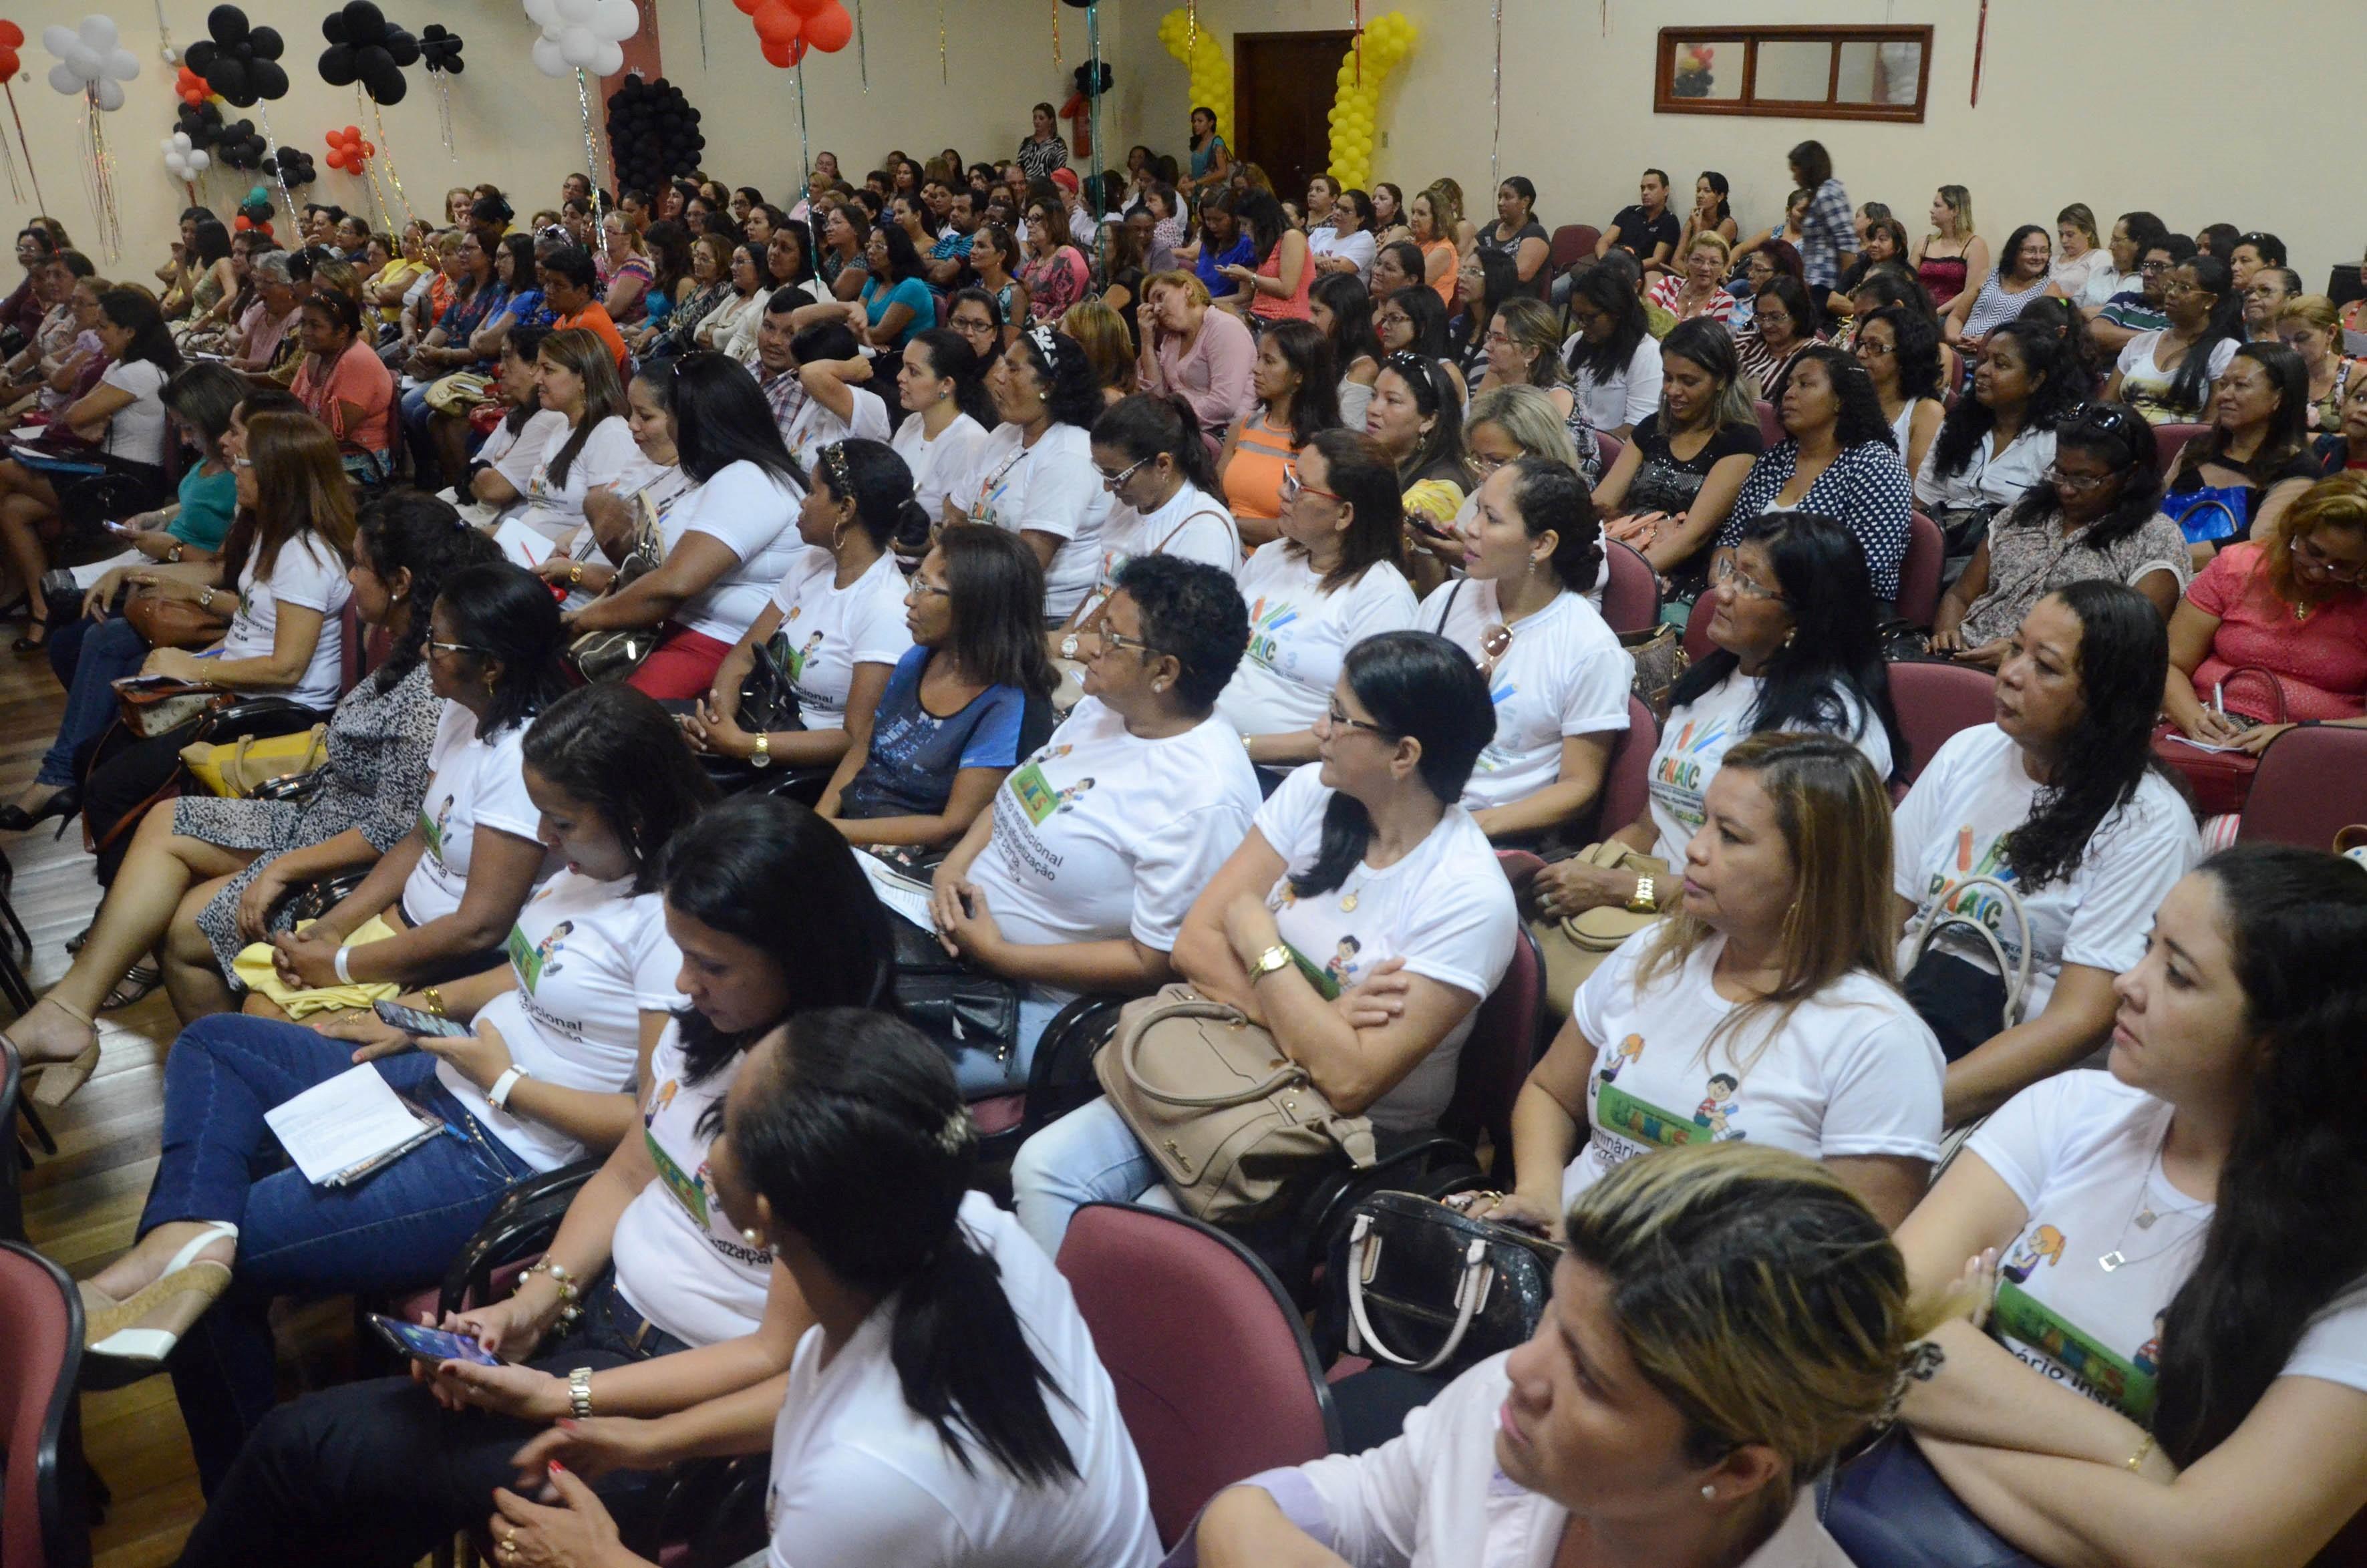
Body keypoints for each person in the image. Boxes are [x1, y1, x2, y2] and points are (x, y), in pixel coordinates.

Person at [166, 795, 893, 1561]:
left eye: (711, 965)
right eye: (681, 954)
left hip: (683, 1405)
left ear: (803, 953)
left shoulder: (843, 1108)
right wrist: (532, 1305)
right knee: (338, 1498)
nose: (683, 984)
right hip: (601, 1329)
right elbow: (624, 1174)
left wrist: (564, 1394)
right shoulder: (710, 1032)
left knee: (300, 1448)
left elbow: (775, 1358)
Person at [77, 683, 712, 1487]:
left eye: (563, 821)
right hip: (447, 1068)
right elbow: (522, 976)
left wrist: (505, 1080)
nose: (545, 839)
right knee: (218, 1043)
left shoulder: (671, 932)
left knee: (221, 1273)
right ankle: (184, 1234)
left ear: (637, 812)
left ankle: (238, 1480)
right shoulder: (591, 872)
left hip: (501, 1151)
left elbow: (645, 1129)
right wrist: (411, 1012)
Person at [486, 1007, 1163, 1568]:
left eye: (726, 1122)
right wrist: (650, 1440)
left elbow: (860, 1448)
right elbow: (814, 1388)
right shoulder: (963, 1231)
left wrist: (599, 1559)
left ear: (765, 1217)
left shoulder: (876, 1476)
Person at [1856, 843, 2367, 1568]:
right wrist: (2128, 1453)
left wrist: (1939, 1392)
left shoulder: (2346, 1270)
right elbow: (1866, 1324)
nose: (2129, 983)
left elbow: (2199, 1551)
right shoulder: (2072, 1108)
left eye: (2178, 974)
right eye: (2146, 946)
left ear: (2274, 1044)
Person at [1195, 1142, 1925, 1567]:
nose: (1520, 1367)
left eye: (1590, 1377)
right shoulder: (1512, 1408)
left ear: (1736, 1467)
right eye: (1553, 1315)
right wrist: (1242, 1516)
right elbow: (1361, 1502)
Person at [1018, 626, 1511, 1251]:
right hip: (1225, 1059)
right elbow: (1192, 943)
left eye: (1340, 716)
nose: (1319, 728)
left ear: (1403, 755)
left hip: (1337, 1134)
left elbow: (1350, 1081)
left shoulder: (1467, 895)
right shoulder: (1313, 793)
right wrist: (1320, 1019)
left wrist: (1260, 943)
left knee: (1144, 1227)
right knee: (1043, 1169)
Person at [5, 496, 494, 1111]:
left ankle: (240, 1097)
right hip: (322, 811)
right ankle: (73, 1013)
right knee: (163, 817)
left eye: (361, 566)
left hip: (351, 853)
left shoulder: (433, 681)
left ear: (399, 584)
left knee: (184, 931)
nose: (350, 578)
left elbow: (396, 828)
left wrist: (283, 868)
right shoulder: (405, 646)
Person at [1489, 733, 1943, 1235]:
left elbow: (1849, 1267)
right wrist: (1537, 1193)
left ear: (1813, 871)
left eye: (1729, 834)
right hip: (1564, 1252)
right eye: (1704, 820)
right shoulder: (1653, 951)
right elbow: (1550, 1091)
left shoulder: (1878, 1042)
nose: (1694, 848)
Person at [1527, 513, 1900, 1011]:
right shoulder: (1710, 682)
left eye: (1748, 583)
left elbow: (1783, 897)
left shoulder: (1824, 731)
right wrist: (1591, 869)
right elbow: (1648, 823)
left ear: (1800, 616)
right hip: (1652, 899)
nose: (1721, 592)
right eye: (1729, 570)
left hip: (1737, 941)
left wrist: (1621, 889)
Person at [925, 554, 1259, 1093]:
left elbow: (1155, 962)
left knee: (860, 1055)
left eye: (1113, 637)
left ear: (1164, 672)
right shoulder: (1106, 707)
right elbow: (1016, 799)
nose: (1088, 644)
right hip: (954, 929)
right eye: (1100, 625)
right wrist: (951, 870)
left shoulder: (1203, 799)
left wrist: (1001, 954)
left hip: (1039, 1001)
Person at [1895, 581, 2197, 1123]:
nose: (2011, 673)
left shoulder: (2149, 825)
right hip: (1906, 1025)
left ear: (2105, 701)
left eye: (2047, 667)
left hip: (2021, 1092)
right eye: (2015, 648)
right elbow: (1876, 916)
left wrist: (1908, 1108)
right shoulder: (1969, 750)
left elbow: (2077, 1023)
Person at [239, 561, 571, 1019]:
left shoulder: (519, 761)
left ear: (490, 665)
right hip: (403, 928)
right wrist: (332, 929)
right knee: (261, 998)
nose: (422, 651)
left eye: (438, 643)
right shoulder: (461, 711)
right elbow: (420, 838)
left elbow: (479, 928)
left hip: (458, 964)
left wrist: (341, 965)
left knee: (269, 1023)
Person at [64, 410, 356, 892]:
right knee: (91, 756)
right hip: (239, 689)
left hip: (278, 715)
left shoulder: (304, 556)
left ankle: (127, 917)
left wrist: (195, 674)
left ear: (276, 475)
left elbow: (287, 666)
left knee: (110, 787)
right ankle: (131, 892)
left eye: (244, 463)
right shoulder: (270, 532)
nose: (234, 470)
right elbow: (248, 627)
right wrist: (198, 663)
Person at [25, 361, 245, 783]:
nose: (183, 438)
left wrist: (168, 551)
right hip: (168, 565)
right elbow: (197, 501)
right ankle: (98, 748)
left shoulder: (242, 481)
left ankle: (68, 771)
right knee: (68, 636)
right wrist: (160, 517)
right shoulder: (216, 466)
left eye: (188, 428)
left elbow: (220, 567)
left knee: (94, 634)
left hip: (188, 578)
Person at [683, 438, 919, 778]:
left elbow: (853, 740)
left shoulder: (884, 608)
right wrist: (721, 720)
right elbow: (745, 655)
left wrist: (748, 746)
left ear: (846, 509)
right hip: (755, 722)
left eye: (812, 492)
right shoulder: (814, 562)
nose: (802, 503)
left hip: (799, 770)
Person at [1423, 458, 1631, 841]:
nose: (1470, 528)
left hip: (1493, 834)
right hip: (1413, 805)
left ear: (1542, 544)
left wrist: (1471, 827)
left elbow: (1579, 788)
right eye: (1478, 511)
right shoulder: (1448, 600)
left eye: (1491, 518)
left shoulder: (1591, 649)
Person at [820, 525, 1057, 851]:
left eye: (923, 587)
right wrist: (819, 821)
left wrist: (832, 833)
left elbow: (951, 825)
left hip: (911, 857)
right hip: (850, 827)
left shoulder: (1009, 704)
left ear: (974, 605)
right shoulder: (920, 656)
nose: (908, 599)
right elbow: (867, 744)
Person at [1218, 430, 1419, 772]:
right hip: (1214, 744)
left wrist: (1239, 748)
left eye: (1298, 486)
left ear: (1344, 515)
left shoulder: (1382, 597)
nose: (1282, 491)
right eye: (1289, 477)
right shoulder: (1272, 556)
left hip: (1285, 776)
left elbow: (1360, 730)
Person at [1935, 402, 2189, 662]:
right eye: (2060, 473)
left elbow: (2131, 652)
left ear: (2131, 474)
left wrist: (2024, 658)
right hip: (1962, 658)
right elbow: (1960, 594)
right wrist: (1947, 633)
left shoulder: (2155, 539)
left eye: (2084, 479)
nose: (2067, 489)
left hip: (2058, 686)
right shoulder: (2025, 513)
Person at [0, 289, 182, 647]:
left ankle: (19, 590)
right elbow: (80, 414)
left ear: (129, 332)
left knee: (4, 471)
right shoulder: (123, 366)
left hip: (130, 483)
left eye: (105, 327)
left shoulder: (139, 373)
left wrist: (91, 416)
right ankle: (39, 602)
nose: (98, 335)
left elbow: (76, 414)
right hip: (109, 469)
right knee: (12, 509)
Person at [2163, 474, 2367, 762]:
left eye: (2341, 566)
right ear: (2293, 530)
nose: (2318, 572)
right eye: (2313, 552)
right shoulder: (2237, 568)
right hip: (2205, 739)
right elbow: (2171, 664)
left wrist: (2297, 735)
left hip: (2322, 754)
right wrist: (2194, 719)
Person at [1722, 347, 1914, 605]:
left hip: (1835, 615)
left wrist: (1768, 595)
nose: (1789, 393)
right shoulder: (1776, 458)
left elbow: (1867, 570)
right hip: (1749, 600)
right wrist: (1724, 579)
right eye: (1788, 384)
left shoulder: (1875, 465)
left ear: (1841, 399)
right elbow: (1732, 538)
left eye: (1805, 384)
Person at [1592, 318, 1766, 599]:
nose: (1673, 390)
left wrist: (1624, 575)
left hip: (1685, 575)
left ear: (1720, 380)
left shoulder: (1739, 442)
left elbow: (1692, 537)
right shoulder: (1652, 428)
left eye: (1688, 381)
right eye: (1668, 377)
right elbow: (1600, 505)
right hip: (1626, 552)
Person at [949, 325, 1112, 624]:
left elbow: (1028, 562)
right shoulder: (1004, 434)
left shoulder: (1069, 453)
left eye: (1012, 368)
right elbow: (955, 512)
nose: (999, 376)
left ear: (1047, 386)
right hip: (981, 589)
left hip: (1040, 616)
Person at [1914, 317, 2086, 573]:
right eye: (1984, 360)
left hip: (2012, 562)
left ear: (2036, 380)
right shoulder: (1959, 425)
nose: (1983, 371)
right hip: (1941, 552)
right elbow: (1922, 502)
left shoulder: (2057, 442)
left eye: (2001, 365)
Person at [472, 327, 639, 550]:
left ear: (583, 379)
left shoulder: (610, 434)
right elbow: (539, 517)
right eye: (538, 368)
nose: (537, 378)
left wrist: (545, 550)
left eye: (548, 370)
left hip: (561, 563)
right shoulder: (560, 427)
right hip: (526, 547)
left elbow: (609, 529)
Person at [2159, 341, 2320, 559]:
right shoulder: (2197, 448)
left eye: (2241, 385)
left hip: (2226, 583)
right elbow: (2152, 511)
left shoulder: (2298, 469)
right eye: (2223, 385)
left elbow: (2251, 547)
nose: (2224, 395)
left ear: (2278, 398)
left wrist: (2158, 558)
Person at [1219, 320, 1339, 548]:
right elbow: (1216, 498)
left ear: (1299, 375)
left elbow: (1294, 530)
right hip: (1224, 547)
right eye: (1258, 358)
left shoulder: (1320, 446)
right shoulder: (1242, 427)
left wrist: (1225, 524)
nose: (1256, 369)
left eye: (1270, 361)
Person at [1364, 354, 1470, 596]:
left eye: (1392, 401)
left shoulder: (1439, 490)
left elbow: (1370, 557)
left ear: (1429, 419)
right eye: (1374, 396)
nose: (1373, 409)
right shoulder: (1382, 464)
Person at [2105, 253, 2245, 426]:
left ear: (2209, 300)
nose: (2171, 293)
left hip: (2183, 446)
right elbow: (2107, 406)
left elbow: (2212, 424)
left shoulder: (2224, 350)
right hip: (2126, 443)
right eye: (2171, 285)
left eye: (2184, 288)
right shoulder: (2141, 343)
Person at [1470, 297, 1601, 478]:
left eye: (1499, 339)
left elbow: (1543, 469)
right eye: (1489, 336)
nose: (1487, 346)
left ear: (1531, 353)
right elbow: (1473, 437)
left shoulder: (1557, 399)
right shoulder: (1498, 375)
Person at [890, 327, 993, 525]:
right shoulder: (913, 422)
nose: (900, 377)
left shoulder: (970, 442)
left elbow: (954, 529)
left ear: (946, 384)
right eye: (903, 367)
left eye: (913, 371)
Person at [1136, 269, 1257, 435]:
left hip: (1225, 434)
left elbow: (1225, 405)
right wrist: (1147, 342)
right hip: (1183, 428)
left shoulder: (1225, 327)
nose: (1157, 309)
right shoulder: (1171, 339)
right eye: (1152, 305)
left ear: (1187, 289)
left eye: (1160, 297)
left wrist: (1170, 417)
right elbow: (1157, 395)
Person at [1559, 263, 1662, 442]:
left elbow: (1639, 427)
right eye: (1577, 317)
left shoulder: (1646, 353)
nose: (1582, 324)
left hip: (1609, 451)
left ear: (1617, 312)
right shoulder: (1575, 342)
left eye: (1590, 318)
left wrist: (1584, 446)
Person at [1852, 303, 1947, 483]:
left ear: (1907, 354)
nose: (1861, 354)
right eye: (1861, 344)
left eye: (1875, 346)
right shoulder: (1846, 399)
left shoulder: (1926, 411)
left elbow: (1913, 490)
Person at [1942, 223, 2053, 353]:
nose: (2038, 257)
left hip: (2004, 358)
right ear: (2014, 252)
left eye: (2044, 251)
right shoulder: (1988, 275)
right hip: (1961, 349)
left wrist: (1986, 344)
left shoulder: (2049, 289)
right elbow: (1957, 316)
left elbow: (2035, 336)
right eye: (2031, 250)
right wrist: (1955, 338)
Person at [1311, 270, 1383, 432]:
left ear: (1341, 314)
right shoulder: (1326, 352)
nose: (1310, 320)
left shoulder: (1364, 369)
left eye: (1317, 312)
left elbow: (1347, 433)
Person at [2276, 295, 2358, 434]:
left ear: (2330, 333)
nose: (2293, 348)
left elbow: (2357, 441)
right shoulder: (2279, 375)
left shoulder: (2357, 378)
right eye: (2284, 341)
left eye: (2302, 338)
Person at [1732, 275, 1819, 402]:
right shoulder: (1745, 342)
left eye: (1776, 317)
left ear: (1797, 315)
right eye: (1761, 317)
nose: (1766, 325)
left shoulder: (1815, 356)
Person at [1789, 140, 1856, 301]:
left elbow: (1846, 243)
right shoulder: (1818, 194)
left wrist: (1842, 289)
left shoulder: (1828, 194)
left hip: (1826, 283)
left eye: (1796, 171)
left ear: (1808, 169)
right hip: (1814, 280)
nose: (1794, 177)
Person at [1447, 247, 1519, 391]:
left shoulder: (1504, 337)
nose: (1462, 278)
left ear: (1496, 278)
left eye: (1474, 272)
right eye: (1463, 270)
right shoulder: (1456, 325)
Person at [1907, 185, 1989, 311]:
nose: (1931, 210)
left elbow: (1971, 292)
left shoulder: (1975, 245)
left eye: (1937, 206)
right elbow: (1909, 283)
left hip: (1951, 314)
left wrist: (1938, 312)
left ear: (1955, 211)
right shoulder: (1923, 243)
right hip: (1919, 310)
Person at [1474, 176, 1551, 299]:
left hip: (1517, 305)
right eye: (1500, 197)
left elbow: (1521, 274)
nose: (1500, 203)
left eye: (1508, 197)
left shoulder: (1534, 232)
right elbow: (1467, 260)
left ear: (1525, 201)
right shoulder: (1491, 228)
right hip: (1485, 299)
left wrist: (1480, 273)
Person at [1647, 231, 1737, 327]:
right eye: (1698, 260)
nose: (1705, 268)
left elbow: (1708, 340)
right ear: (1686, 261)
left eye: (1714, 262)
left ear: (1724, 267)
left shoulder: (1725, 302)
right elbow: (1646, 317)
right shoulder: (1669, 283)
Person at [1597, 168, 1680, 271]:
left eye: (1651, 187)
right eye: (1643, 188)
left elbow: (1657, 259)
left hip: (1641, 271)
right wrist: (1605, 262)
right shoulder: (1629, 212)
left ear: (1666, 191)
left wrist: (1626, 268)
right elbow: (1604, 241)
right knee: (1573, 276)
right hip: (1611, 265)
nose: (1645, 192)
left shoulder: (1669, 221)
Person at [1406, 189, 1461, 309]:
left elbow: (1413, 287)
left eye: (1421, 214)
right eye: (1413, 212)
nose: (1414, 218)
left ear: (1438, 219)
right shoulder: (1415, 243)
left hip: (1426, 314)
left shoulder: (1443, 250)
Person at [1311, 184, 1377, 283]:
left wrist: (1313, 261)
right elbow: (1299, 260)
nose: (1337, 212)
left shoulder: (1364, 238)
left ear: (1360, 219)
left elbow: (1340, 269)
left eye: (1346, 210)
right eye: (1337, 206)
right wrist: (1319, 261)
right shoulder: (1320, 233)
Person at [1185, 106, 1231, 197]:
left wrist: (1196, 182)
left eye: (1200, 121)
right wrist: (1189, 177)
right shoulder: (1198, 142)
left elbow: (1223, 172)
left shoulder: (1217, 143)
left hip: (1211, 194)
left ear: (1210, 123)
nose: (1196, 124)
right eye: (1194, 121)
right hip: (1197, 192)